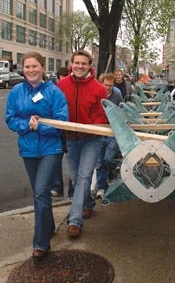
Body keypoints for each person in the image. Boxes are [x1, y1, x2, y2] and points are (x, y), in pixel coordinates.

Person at [5, 52, 68, 260]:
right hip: (28, 149)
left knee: (41, 192)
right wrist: (27, 126)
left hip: (51, 149)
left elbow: (61, 122)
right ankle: (48, 226)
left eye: (34, 66)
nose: (30, 70)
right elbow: (10, 118)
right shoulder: (16, 92)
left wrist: (39, 126)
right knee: (38, 193)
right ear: (22, 69)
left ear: (42, 68)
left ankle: (40, 243)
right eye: (27, 67)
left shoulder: (54, 92)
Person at [58, 50, 108, 238]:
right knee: (74, 177)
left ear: (90, 66)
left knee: (84, 176)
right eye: (76, 63)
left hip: (91, 140)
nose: (80, 66)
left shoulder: (99, 88)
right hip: (71, 138)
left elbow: (102, 115)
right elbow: (56, 108)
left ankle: (74, 221)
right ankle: (87, 203)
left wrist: (91, 127)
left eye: (83, 63)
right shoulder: (62, 85)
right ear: (71, 64)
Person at [92, 73, 123, 199]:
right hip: (99, 130)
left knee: (108, 158)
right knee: (99, 162)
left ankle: (111, 173)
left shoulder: (117, 94)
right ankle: (101, 187)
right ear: (101, 83)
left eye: (110, 86)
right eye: (105, 85)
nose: (108, 88)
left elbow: (121, 109)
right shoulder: (96, 92)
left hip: (112, 130)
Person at [50, 67, 70, 197]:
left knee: (74, 161)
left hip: (71, 129)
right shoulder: (54, 91)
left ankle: (73, 190)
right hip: (58, 131)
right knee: (56, 160)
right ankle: (57, 187)